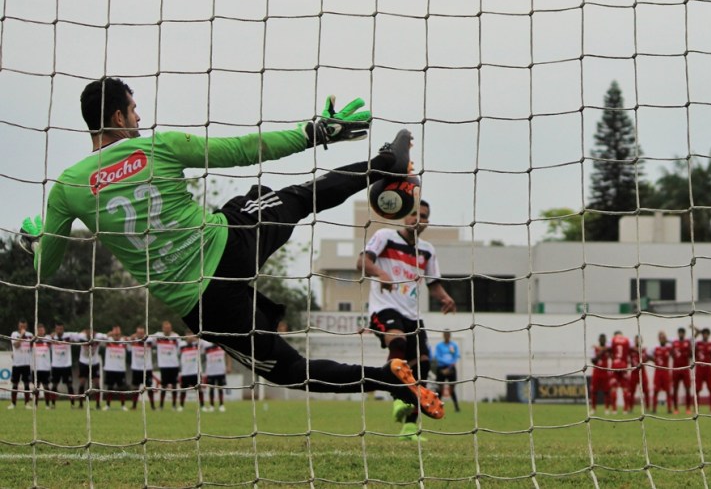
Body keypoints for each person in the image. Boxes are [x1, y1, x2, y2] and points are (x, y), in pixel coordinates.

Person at [19, 77, 443, 420]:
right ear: (116, 115)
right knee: (299, 197)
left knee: (290, 370)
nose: (138, 116)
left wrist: (36, 240)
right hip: (230, 244)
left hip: (202, 302)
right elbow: (244, 149)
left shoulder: (66, 189)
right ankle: (383, 163)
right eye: (133, 109)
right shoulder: (156, 147)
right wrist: (317, 132)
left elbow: (45, 270)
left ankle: (387, 379)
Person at [357, 199, 457, 440]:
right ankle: (395, 398)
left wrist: (445, 298)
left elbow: (433, 283)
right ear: (404, 216)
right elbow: (363, 261)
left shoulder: (427, 250)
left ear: (426, 222)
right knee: (398, 343)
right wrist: (381, 273)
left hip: (413, 315)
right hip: (384, 308)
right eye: (413, 214)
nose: (417, 219)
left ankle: (410, 427)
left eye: (423, 216)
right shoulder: (385, 236)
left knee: (421, 367)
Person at [153, 321, 181, 410]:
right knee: (164, 386)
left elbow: (180, 348)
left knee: (174, 386)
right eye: (166, 328)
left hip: (174, 365)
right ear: (163, 328)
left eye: (169, 328)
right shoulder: (158, 335)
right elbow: (149, 339)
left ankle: (174, 405)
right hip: (163, 365)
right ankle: (161, 406)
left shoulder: (176, 337)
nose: (167, 329)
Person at [50, 322, 79, 408]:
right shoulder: (52, 337)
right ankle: (53, 404)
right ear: (55, 329)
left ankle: (72, 404)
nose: (59, 331)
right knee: (54, 384)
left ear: (63, 329)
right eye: (57, 329)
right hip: (56, 365)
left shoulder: (68, 336)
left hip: (66, 365)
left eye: (61, 329)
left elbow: (79, 336)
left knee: (69, 385)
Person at [128, 325, 156, 410]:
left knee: (149, 387)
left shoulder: (149, 341)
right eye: (138, 333)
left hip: (147, 368)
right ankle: (134, 406)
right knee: (135, 388)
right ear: (136, 333)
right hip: (136, 368)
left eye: (142, 333)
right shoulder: (133, 341)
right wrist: (132, 337)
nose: (140, 335)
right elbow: (127, 343)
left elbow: (156, 339)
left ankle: (152, 406)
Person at [432, 330, 461, 413]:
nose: (447, 336)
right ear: (443, 335)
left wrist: (449, 367)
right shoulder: (439, 346)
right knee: (440, 389)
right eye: (445, 335)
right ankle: (437, 407)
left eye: (448, 335)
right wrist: (444, 368)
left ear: (450, 335)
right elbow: (437, 357)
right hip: (441, 368)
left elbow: (456, 356)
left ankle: (456, 407)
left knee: (452, 389)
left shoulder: (454, 345)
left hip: (451, 368)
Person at [76, 328, 105, 409]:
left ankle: (98, 404)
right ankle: (81, 404)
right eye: (89, 332)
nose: (91, 333)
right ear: (86, 332)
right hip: (83, 362)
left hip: (94, 363)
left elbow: (108, 336)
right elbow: (73, 336)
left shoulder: (98, 337)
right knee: (82, 382)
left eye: (93, 332)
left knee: (97, 383)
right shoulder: (81, 336)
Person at [101, 326, 129, 410]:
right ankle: (108, 405)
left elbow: (133, 341)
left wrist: (127, 338)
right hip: (110, 368)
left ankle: (123, 405)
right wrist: (107, 335)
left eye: (118, 334)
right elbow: (100, 342)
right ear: (112, 334)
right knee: (110, 387)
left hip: (120, 369)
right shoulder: (108, 341)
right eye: (115, 334)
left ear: (120, 334)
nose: (116, 335)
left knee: (122, 388)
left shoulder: (124, 341)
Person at [8, 319, 33, 409]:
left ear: (26, 326)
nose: (23, 328)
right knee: (15, 384)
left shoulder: (30, 335)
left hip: (26, 363)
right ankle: (13, 403)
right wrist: (22, 335)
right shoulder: (14, 334)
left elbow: (33, 346)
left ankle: (27, 403)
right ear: (18, 326)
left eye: (24, 326)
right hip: (17, 364)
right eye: (21, 326)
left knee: (27, 384)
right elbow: (16, 345)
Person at [201, 338, 231, 412]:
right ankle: (212, 406)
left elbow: (228, 354)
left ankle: (221, 405)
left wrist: (229, 366)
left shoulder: (222, 344)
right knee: (211, 389)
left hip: (221, 370)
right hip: (210, 371)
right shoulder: (205, 344)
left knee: (220, 388)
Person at [178, 331, 205, 411]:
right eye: (188, 335)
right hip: (185, 372)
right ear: (185, 336)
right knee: (183, 390)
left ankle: (202, 406)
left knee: (199, 389)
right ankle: (181, 406)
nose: (189, 337)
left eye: (191, 335)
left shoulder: (197, 344)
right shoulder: (181, 345)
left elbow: (203, 342)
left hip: (196, 372)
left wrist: (195, 339)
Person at [693, 327, 711, 413]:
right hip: (699, 369)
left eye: (707, 333)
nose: (705, 335)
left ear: (708, 335)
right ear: (702, 334)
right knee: (697, 389)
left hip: (708, 369)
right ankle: (696, 408)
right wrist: (696, 334)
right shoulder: (698, 344)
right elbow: (690, 344)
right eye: (704, 333)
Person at [31, 323, 55, 409]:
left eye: (42, 330)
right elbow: (29, 344)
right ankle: (35, 405)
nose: (41, 332)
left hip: (45, 368)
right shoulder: (33, 340)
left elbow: (53, 339)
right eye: (39, 330)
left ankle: (47, 405)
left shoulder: (47, 339)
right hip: (36, 368)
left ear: (44, 331)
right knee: (36, 387)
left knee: (46, 386)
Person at [670, 327, 692, 415]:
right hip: (676, 369)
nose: (681, 334)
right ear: (678, 333)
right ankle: (675, 408)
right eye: (680, 333)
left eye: (682, 333)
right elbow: (671, 353)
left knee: (687, 389)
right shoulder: (674, 343)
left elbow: (690, 354)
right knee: (675, 389)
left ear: (684, 334)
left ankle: (688, 408)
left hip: (685, 369)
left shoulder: (687, 343)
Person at [609, 331, 631, 414]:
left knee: (613, 388)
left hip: (615, 365)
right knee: (625, 388)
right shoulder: (627, 340)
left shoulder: (612, 339)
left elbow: (609, 350)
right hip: (624, 365)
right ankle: (625, 409)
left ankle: (614, 409)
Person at [590, 333, 612, 415]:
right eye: (601, 339)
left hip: (605, 372)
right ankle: (593, 409)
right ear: (599, 340)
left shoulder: (608, 349)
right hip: (597, 372)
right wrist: (601, 351)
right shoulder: (595, 348)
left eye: (604, 339)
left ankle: (606, 409)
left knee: (607, 391)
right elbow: (593, 361)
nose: (602, 340)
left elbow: (612, 355)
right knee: (594, 391)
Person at [651, 331, 673, 414]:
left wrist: (668, 341)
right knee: (656, 391)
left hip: (666, 372)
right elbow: (648, 356)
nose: (662, 339)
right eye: (661, 338)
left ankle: (669, 409)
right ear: (658, 339)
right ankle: (654, 408)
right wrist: (654, 361)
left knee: (668, 391)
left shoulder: (668, 348)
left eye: (663, 338)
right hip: (657, 372)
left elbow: (675, 347)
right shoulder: (655, 348)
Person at [627, 335, 649, 412]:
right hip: (634, 372)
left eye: (639, 340)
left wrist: (638, 350)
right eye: (636, 340)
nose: (637, 341)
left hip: (642, 372)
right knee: (631, 391)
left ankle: (647, 408)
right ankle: (630, 408)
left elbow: (646, 359)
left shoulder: (644, 350)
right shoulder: (631, 350)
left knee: (646, 390)